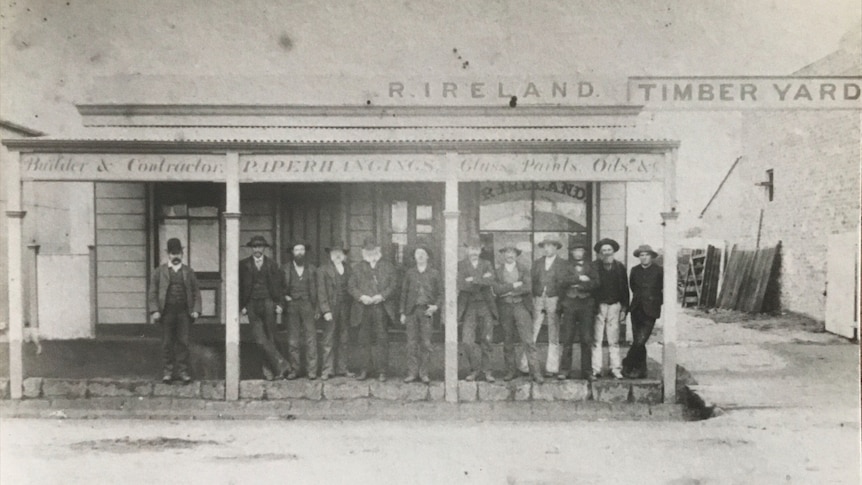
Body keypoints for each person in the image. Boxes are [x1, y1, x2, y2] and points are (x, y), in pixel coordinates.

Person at [147, 238, 202, 384]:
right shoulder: (159, 272)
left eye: (178, 253)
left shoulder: (188, 272)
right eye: (173, 253)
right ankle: (168, 372)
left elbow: (196, 292)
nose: (176, 256)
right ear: (168, 254)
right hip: (167, 313)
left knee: (183, 342)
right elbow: (152, 293)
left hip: (184, 312)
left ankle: (183, 372)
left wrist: (196, 310)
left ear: (182, 254)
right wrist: (154, 311)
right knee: (167, 342)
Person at [239, 235, 290, 380]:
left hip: (268, 303)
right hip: (251, 304)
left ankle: (273, 372)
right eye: (254, 247)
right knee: (260, 340)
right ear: (251, 248)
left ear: (264, 248)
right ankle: (281, 364)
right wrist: (241, 306)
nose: (257, 250)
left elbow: (280, 286)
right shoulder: (243, 265)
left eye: (260, 246)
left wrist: (279, 304)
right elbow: (238, 287)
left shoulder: (272, 265)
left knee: (271, 337)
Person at [348, 237, 398, 382]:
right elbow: (351, 286)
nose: (371, 253)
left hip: (380, 308)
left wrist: (381, 296)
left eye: (373, 250)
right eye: (368, 250)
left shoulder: (387, 267)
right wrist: (361, 297)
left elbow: (393, 285)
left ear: (378, 250)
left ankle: (382, 371)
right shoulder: (357, 268)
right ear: (363, 252)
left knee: (382, 339)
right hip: (363, 308)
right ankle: (364, 370)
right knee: (364, 339)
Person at [494, 245, 543, 383]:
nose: (510, 255)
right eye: (507, 252)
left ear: (516, 255)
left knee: (528, 340)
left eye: (513, 252)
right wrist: (514, 286)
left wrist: (509, 291)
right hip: (505, 308)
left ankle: (535, 372)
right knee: (508, 340)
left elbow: (527, 287)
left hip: (521, 305)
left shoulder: (524, 269)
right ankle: (511, 371)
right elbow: (497, 289)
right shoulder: (498, 271)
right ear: (503, 255)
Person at [457, 237, 498, 382]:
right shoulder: (461, 265)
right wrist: (481, 279)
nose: (474, 252)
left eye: (476, 249)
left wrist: (473, 279)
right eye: (471, 249)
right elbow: (461, 284)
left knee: (487, 339)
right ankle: (474, 369)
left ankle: (487, 371)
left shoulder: (487, 264)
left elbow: (491, 280)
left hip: (485, 305)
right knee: (467, 340)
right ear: (467, 250)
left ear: (480, 250)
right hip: (469, 306)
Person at [399, 247, 442, 383]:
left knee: (426, 343)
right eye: (418, 253)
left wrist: (436, 306)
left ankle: (424, 373)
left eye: (423, 253)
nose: (421, 256)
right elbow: (404, 293)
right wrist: (402, 313)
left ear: (428, 256)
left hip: (426, 312)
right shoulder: (410, 273)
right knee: (411, 343)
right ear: (414, 257)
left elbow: (441, 293)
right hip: (411, 312)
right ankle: (412, 372)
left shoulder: (434, 273)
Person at [558, 241, 600, 380]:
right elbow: (562, 281)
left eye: (580, 250)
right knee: (567, 338)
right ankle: (564, 370)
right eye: (575, 251)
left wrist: (581, 286)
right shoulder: (565, 265)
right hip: (569, 303)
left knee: (586, 338)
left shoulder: (591, 266)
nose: (578, 253)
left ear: (584, 253)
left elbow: (596, 283)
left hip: (586, 304)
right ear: (571, 253)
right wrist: (579, 278)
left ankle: (587, 371)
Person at [590, 238, 630, 380]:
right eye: (603, 251)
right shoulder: (594, 267)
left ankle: (615, 369)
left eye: (609, 250)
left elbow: (625, 289)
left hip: (615, 306)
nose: (606, 253)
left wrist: (624, 309)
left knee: (614, 340)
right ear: (600, 253)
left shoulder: (620, 267)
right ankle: (596, 369)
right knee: (597, 339)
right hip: (599, 306)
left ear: (613, 251)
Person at [623, 244, 664, 379]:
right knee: (638, 341)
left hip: (651, 309)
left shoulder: (659, 270)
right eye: (641, 255)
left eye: (646, 255)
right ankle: (641, 370)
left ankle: (628, 362)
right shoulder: (634, 270)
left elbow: (662, 288)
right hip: (636, 309)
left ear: (651, 257)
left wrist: (654, 301)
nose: (644, 258)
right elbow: (633, 287)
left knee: (640, 341)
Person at [531, 235, 569, 377]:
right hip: (538, 298)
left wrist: (561, 302)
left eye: (550, 246)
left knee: (553, 333)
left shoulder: (563, 264)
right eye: (545, 246)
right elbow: (532, 281)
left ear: (556, 247)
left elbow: (564, 285)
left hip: (555, 299)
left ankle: (552, 368)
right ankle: (528, 365)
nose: (547, 249)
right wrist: (535, 297)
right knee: (533, 331)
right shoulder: (537, 263)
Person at [282, 242, 319, 380]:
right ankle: (295, 369)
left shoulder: (312, 269)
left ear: (305, 252)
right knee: (293, 339)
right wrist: (285, 297)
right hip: (292, 306)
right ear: (292, 252)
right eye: (296, 249)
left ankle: (312, 370)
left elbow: (318, 289)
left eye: (302, 249)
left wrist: (316, 308)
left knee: (311, 338)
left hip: (308, 305)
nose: (299, 252)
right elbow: (279, 287)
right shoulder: (285, 269)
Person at [317, 242, 354, 380]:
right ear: (330, 255)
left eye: (340, 252)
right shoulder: (323, 270)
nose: (338, 255)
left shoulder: (348, 269)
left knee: (344, 338)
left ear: (344, 255)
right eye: (335, 252)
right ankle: (327, 370)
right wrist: (325, 310)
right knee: (328, 339)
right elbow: (321, 292)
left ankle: (342, 369)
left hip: (345, 307)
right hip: (331, 308)